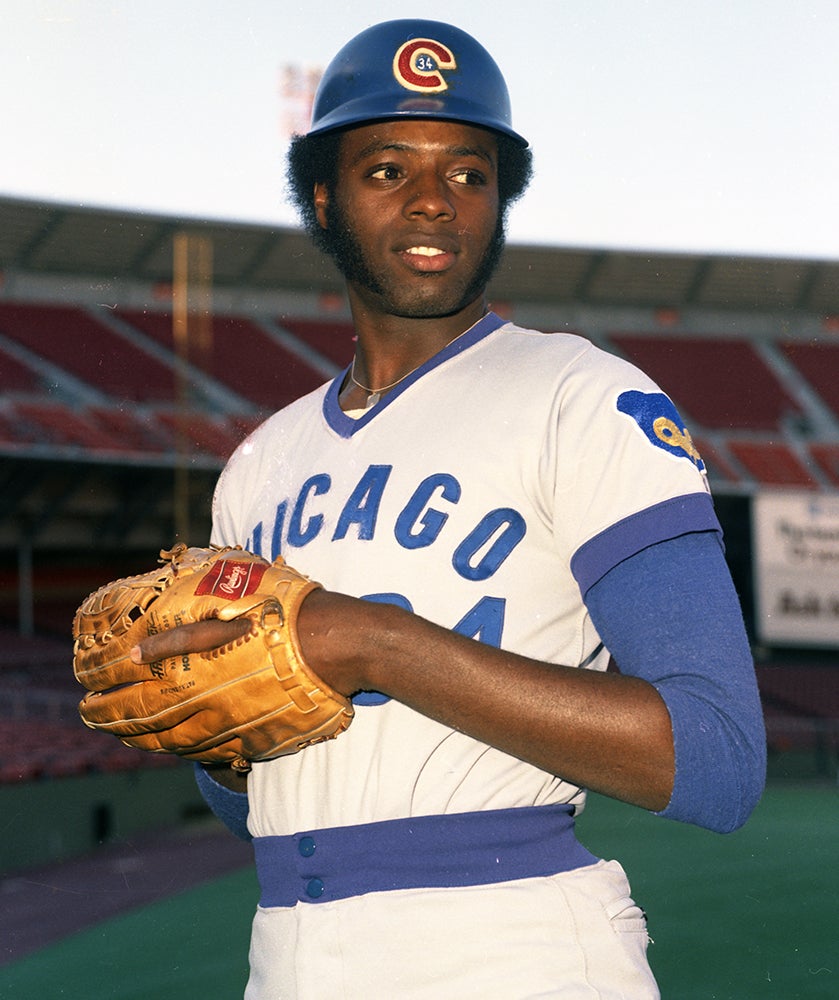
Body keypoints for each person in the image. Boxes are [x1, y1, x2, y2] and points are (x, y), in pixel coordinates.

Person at [134, 19, 766, 998]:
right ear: (320, 196)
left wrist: (378, 645)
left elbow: (716, 756)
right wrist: (213, 740)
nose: (433, 200)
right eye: (387, 168)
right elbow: (270, 801)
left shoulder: (581, 395)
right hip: (287, 954)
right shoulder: (257, 464)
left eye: (467, 172)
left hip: (514, 949)